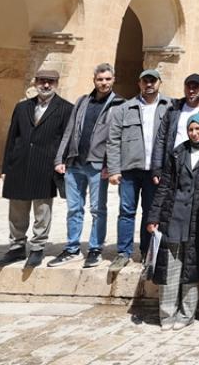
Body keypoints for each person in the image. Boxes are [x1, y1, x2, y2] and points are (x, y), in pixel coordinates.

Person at [147, 113, 199, 331]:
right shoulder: (178, 152)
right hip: (174, 216)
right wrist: (154, 216)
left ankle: (186, 314)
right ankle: (167, 314)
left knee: (191, 267)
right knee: (170, 267)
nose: (194, 133)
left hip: (198, 219)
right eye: (191, 129)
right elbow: (165, 185)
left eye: (198, 129)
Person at [0, 69, 73, 269]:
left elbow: (67, 140)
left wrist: (62, 163)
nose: (46, 85)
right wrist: (5, 167)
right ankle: (16, 246)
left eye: (50, 82)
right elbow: (12, 138)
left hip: (45, 166)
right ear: (35, 82)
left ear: (56, 84)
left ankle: (38, 247)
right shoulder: (22, 107)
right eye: (42, 81)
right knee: (17, 209)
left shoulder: (66, 108)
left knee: (42, 209)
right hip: (19, 165)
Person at [51, 63, 122, 268]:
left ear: (113, 79)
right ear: (94, 80)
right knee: (74, 208)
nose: (104, 83)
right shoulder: (82, 101)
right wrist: (59, 158)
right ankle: (72, 248)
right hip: (74, 163)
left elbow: (118, 138)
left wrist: (112, 165)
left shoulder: (119, 105)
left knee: (98, 209)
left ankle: (95, 249)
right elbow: (69, 130)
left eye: (107, 79)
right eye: (100, 79)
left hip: (99, 165)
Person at [106, 69, 172, 270]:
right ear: (139, 83)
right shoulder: (124, 109)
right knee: (126, 211)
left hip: (155, 171)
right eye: (145, 81)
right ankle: (123, 252)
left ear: (159, 82)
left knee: (151, 212)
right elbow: (113, 140)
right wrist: (114, 169)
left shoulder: (170, 107)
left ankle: (146, 251)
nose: (149, 84)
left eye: (153, 81)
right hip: (130, 170)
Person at [152, 73, 199, 183]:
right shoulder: (173, 110)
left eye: (195, 87)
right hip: (172, 167)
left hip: (198, 169)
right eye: (188, 87)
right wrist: (157, 168)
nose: (191, 90)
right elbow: (161, 139)